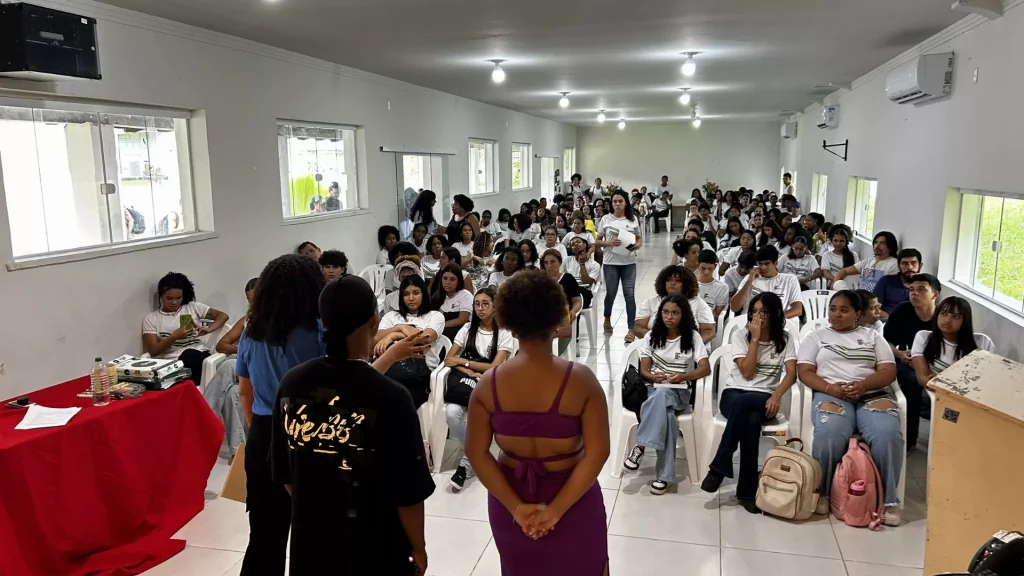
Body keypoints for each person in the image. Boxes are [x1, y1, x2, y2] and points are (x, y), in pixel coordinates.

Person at [269, 275, 435, 575]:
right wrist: (419, 547)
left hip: (312, 545)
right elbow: (409, 492)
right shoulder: (392, 397)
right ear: (373, 319)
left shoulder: (292, 384)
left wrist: (323, 506)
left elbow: (286, 474)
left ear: (324, 321)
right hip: (374, 548)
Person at [465, 271, 609, 575]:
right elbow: (598, 453)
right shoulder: (581, 381)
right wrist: (556, 510)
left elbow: (476, 454)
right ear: (558, 317)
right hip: (573, 498)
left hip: (510, 499)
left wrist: (516, 508)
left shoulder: (488, 385)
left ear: (507, 321)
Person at [236, 254, 327, 575]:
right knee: (314, 536)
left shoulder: (251, 332)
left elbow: (244, 392)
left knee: (264, 536)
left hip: (264, 432)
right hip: (311, 434)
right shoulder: (319, 332)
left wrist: (261, 432)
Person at [797, 290, 902, 526]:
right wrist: (829, 388)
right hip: (831, 393)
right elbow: (804, 371)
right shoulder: (817, 337)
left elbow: (888, 371)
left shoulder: (873, 337)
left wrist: (864, 385)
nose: (836, 314)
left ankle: (888, 501)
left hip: (871, 393)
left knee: (887, 433)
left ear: (858, 314)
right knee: (830, 432)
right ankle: (823, 493)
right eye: (833, 309)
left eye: (844, 310)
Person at [700, 293, 797, 512]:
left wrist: (777, 395)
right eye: (754, 311)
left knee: (750, 414)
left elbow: (792, 374)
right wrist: (754, 340)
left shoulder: (786, 339)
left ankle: (718, 470)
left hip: (765, 398)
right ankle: (746, 491)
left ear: (775, 313)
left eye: (763, 312)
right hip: (733, 394)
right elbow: (747, 373)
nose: (757, 316)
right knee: (748, 415)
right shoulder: (740, 335)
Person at [623, 295, 711, 494]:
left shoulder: (693, 337)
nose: (669, 317)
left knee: (662, 396)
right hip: (653, 389)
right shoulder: (652, 335)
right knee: (668, 417)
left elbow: (705, 368)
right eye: (665, 312)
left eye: (675, 313)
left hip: (680, 392)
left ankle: (640, 445)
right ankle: (664, 476)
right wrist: (653, 377)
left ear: (683, 315)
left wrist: (683, 376)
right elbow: (644, 370)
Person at [443, 287, 515, 492]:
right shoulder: (467, 329)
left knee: (478, 417)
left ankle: (465, 465)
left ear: (495, 306)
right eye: (477, 304)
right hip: (466, 382)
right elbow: (449, 359)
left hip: (490, 384)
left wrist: (464, 363)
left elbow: (494, 367)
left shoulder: (504, 331)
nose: (480, 308)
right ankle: (477, 455)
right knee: (451, 414)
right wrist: (468, 370)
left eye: (485, 304)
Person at [883, 273, 941, 450]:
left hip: (935, 364)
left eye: (921, 290)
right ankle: (909, 439)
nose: (914, 293)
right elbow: (885, 341)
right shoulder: (902, 311)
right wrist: (900, 354)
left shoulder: (942, 316)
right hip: (905, 361)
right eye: (911, 290)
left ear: (935, 294)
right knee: (912, 382)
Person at [142, 272, 229, 385]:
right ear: (161, 296)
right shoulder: (152, 318)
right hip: (172, 364)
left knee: (189, 355)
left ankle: (187, 387)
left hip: (199, 356)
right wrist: (174, 337)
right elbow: (153, 351)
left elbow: (223, 316)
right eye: (169, 298)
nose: (174, 302)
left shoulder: (192, 307)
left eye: (179, 298)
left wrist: (209, 329)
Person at [375, 275, 444, 408]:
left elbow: (425, 339)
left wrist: (392, 335)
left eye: (416, 293)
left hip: (418, 377)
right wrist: (400, 327)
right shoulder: (391, 316)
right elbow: (376, 339)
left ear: (423, 294)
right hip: (388, 371)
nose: (411, 298)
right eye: (406, 294)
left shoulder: (435, 316)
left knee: (395, 403)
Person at [911, 297, 995, 385]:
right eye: (944, 313)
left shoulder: (983, 342)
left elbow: (985, 379)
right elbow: (923, 380)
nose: (947, 320)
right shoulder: (924, 337)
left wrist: (941, 382)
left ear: (965, 320)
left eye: (956, 316)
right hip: (934, 392)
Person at [596, 190, 643, 342]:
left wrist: (637, 245)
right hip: (611, 263)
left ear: (626, 203)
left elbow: (639, 238)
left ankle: (631, 329)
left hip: (629, 262)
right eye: (615, 201)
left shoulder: (632, 219)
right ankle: (607, 318)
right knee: (611, 293)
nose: (617, 204)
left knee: (629, 294)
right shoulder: (606, 219)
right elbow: (597, 241)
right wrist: (609, 243)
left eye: (620, 201)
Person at [635, 265, 715, 343]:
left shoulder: (699, 304)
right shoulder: (650, 302)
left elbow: (709, 331)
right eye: (669, 280)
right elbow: (638, 327)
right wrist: (650, 336)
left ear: (687, 284)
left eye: (678, 281)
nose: (672, 283)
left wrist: (695, 344)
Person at [730, 246, 803, 319]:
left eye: (767, 264)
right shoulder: (750, 278)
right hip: (750, 319)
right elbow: (734, 308)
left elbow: (797, 310)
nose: (763, 267)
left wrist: (771, 320)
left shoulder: (789, 279)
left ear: (775, 263)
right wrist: (749, 282)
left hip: (776, 321)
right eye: (760, 264)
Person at [542, 249, 583, 356]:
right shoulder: (540, 280)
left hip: (563, 316)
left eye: (552, 262)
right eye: (546, 263)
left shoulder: (568, 279)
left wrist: (573, 310)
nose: (549, 266)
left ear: (559, 262)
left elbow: (577, 300)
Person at [834, 231, 899, 292]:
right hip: (860, 295)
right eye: (876, 242)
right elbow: (844, 271)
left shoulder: (894, 264)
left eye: (882, 243)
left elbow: (891, 289)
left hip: (876, 297)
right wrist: (833, 284)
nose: (877, 245)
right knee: (838, 283)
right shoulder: (868, 261)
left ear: (890, 247)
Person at [873, 248, 922, 317]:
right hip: (886, 320)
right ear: (898, 266)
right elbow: (873, 307)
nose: (910, 267)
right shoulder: (886, 281)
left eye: (913, 263)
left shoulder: (925, 286)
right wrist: (890, 319)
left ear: (920, 265)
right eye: (905, 263)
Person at [216, 278, 259, 355]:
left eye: (256, 298)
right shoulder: (247, 320)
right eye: (249, 299)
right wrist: (244, 350)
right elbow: (221, 345)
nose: (252, 303)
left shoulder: (277, 320)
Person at [432, 264, 473, 342]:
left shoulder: (465, 295)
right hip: (441, 331)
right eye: (445, 278)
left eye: (452, 279)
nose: (447, 282)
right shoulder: (437, 296)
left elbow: (462, 320)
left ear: (459, 281)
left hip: (462, 332)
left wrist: (440, 326)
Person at [564, 236, 600, 313]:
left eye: (578, 242)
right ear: (572, 250)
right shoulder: (566, 260)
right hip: (568, 293)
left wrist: (582, 264)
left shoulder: (594, 265)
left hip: (584, 294)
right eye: (573, 244)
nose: (576, 244)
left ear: (585, 244)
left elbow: (587, 282)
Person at [697, 250, 730, 320]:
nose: (706, 272)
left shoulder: (722, 287)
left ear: (715, 267)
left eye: (710, 269)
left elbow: (717, 315)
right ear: (698, 265)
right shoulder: (689, 284)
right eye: (703, 268)